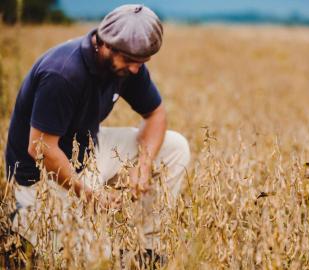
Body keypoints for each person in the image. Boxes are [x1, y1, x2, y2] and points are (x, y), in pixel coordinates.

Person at [4, 4, 190, 263]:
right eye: (130, 61)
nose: (136, 70)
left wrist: (144, 166)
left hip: (88, 151)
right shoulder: (62, 74)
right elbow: (40, 149)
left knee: (176, 146)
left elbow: (156, 115)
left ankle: (147, 252)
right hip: (42, 178)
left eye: (142, 63)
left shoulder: (127, 63)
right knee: (97, 261)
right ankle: (22, 225)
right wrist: (89, 194)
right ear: (106, 45)